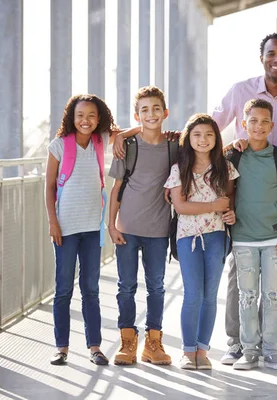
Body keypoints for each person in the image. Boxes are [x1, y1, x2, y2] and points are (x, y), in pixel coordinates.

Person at [211, 32, 277, 365]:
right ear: (262, 58)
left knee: (272, 280)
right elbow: (210, 128)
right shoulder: (240, 90)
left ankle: (268, 346)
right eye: (271, 53)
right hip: (243, 182)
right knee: (239, 278)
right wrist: (230, 148)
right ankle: (238, 343)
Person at [45, 94, 117, 366]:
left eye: (91, 116)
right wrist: (53, 222)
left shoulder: (101, 142)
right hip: (65, 228)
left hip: (91, 228)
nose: (85, 121)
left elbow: (130, 132)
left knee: (91, 289)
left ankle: (95, 346)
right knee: (63, 289)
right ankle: (61, 347)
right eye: (80, 116)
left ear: (99, 119)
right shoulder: (59, 146)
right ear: (71, 118)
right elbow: (49, 187)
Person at [230, 99, 277, 370]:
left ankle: (271, 349)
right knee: (247, 296)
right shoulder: (235, 155)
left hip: (274, 239)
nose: (258, 126)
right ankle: (249, 350)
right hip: (243, 238)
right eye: (253, 121)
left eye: (264, 122)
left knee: (273, 295)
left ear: (271, 126)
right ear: (243, 124)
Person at [163, 114, 239, 370]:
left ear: (216, 138)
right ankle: (187, 351)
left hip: (217, 237)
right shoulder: (179, 169)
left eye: (208, 134)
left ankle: (203, 351)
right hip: (187, 238)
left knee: (210, 296)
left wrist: (228, 212)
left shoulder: (225, 167)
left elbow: (229, 201)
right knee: (192, 294)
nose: (203, 139)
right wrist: (213, 206)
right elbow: (181, 206)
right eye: (197, 135)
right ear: (189, 139)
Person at [108, 86, 173, 366]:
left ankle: (154, 343)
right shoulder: (128, 147)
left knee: (156, 287)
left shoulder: (175, 145)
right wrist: (110, 226)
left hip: (159, 229)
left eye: (156, 108)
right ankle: (127, 341)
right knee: (126, 286)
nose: (151, 114)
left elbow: (202, 141)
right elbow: (116, 189)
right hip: (128, 228)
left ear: (165, 113)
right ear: (137, 115)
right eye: (144, 110)